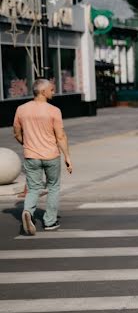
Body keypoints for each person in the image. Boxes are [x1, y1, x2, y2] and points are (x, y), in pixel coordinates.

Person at [13, 79, 73, 235]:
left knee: (33, 189)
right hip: (51, 156)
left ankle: (28, 212)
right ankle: (50, 221)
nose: (53, 92)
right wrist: (67, 157)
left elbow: (17, 133)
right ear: (43, 92)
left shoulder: (21, 109)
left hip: (31, 155)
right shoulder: (54, 111)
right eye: (51, 90)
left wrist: (26, 143)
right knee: (53, 187)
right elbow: (60, 136)